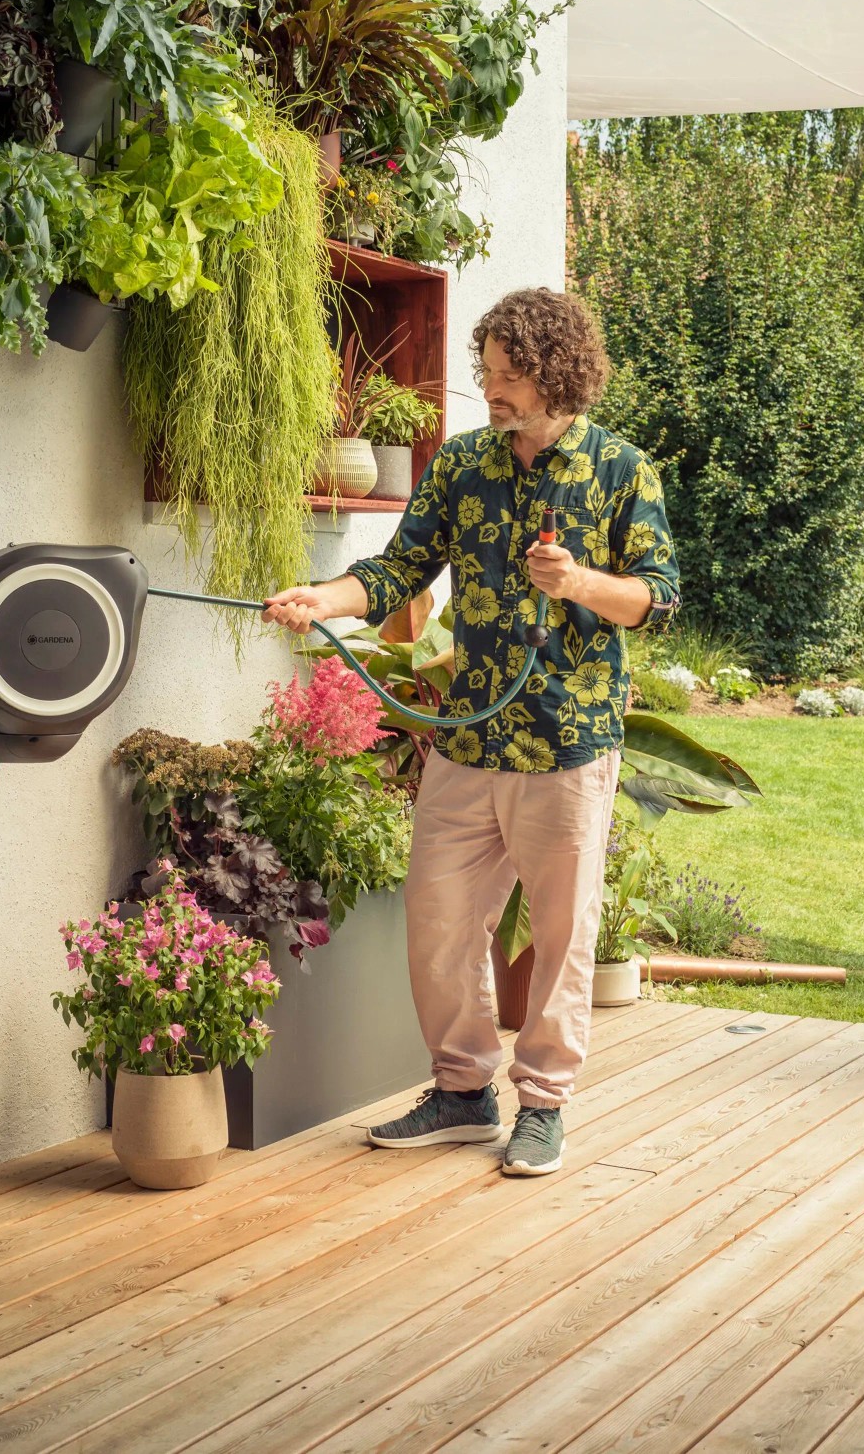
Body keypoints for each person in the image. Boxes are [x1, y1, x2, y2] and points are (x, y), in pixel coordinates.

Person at [262, 287, 679, 1176]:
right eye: (486, 371)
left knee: (561, 936)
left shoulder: (621, 470)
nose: (490, 389)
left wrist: (578, 583)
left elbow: (655, 599)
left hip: (565, 741)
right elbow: (398, 569)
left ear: (557, 374)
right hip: (469, 737)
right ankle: (461, 1092)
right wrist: (323, 598)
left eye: (508, 376)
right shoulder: (461, 465)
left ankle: (544, 1105)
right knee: (439, 921)